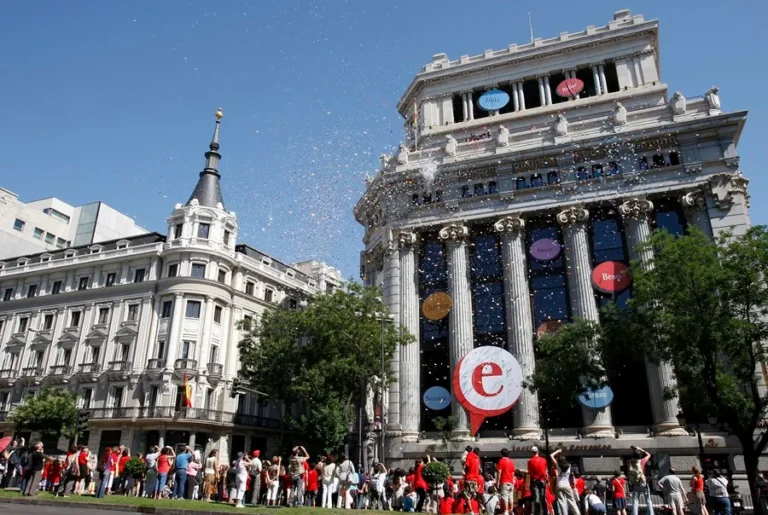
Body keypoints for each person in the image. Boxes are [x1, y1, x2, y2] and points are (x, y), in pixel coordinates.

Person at [550, 448, 581, 515]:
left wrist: (557, 451)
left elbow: (551, 455)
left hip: (559, 485)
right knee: (572, 501)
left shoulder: (557, 465)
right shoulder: (569, 466)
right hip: (567, 485)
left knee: (562, 502)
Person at [627, 446, 653, 515]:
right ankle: (651, 513)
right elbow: (649, 454)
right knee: (648, 500)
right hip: (643, 483)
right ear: (640, 455)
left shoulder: (631, 462)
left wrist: (634, 450)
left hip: (635, 483)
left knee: (635, 500)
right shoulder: (642, 461)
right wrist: (640, 449)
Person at [528, 446, 548, 515]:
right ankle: (545, 512)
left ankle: (538, 513)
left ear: (532, 452)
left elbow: (530, 472)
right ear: (538, 452)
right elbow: (545, 471)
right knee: (543, 498)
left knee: (536, 498)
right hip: (542, 480)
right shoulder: (544, 460)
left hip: (534, 481)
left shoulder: (530, 461)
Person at [497, 448, 516, 515]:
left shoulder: (501, 461)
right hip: (511, 482)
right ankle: (511, 510)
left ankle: (506, 511)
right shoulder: (511, 462)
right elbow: (513, 473)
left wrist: (498, 482)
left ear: (502, 454)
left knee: (505, 496)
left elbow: (499, 472)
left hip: (504, 481)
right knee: (511, 497)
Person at [464, 447, 482, 515]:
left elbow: (467, 466)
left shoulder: (470, 455)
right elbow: (479, 469)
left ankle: (471, 511)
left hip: (469, 478)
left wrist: (465, 473)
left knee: (467, 496)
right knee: (475, 496)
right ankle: (480, 509)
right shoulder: (478, 458)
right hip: (475, 479)